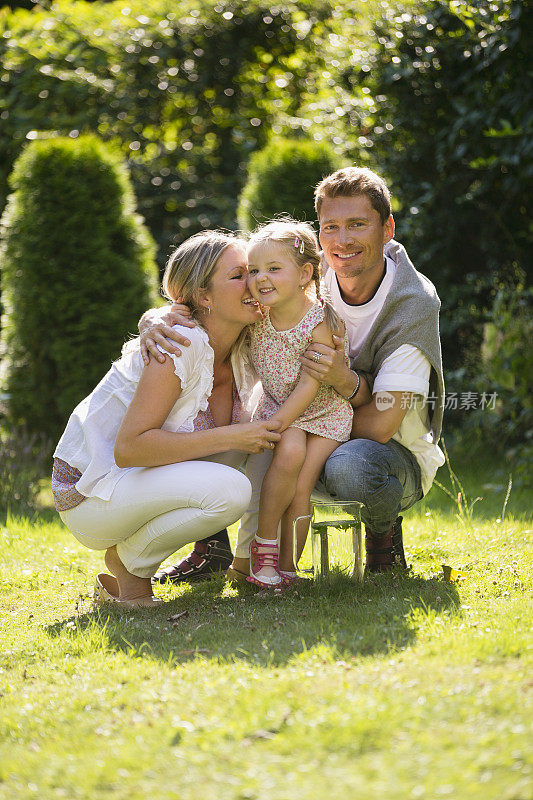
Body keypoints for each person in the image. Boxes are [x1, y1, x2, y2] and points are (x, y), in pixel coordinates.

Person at [141, 166, 445, 579]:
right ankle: (219, 547)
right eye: (331, 227)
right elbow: (218, 296)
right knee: (224, 415)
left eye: (358, 225)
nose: (343, 240)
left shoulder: (411, 305)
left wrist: (341, 384)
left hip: (388, 450)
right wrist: (158, 316)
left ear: (387, 228)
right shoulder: (301, 278)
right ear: (318, 239)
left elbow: (380, 425)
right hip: (293, 415)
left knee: (350, 466)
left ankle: (382, 529)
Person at [52, 231, 281, 607]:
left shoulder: (246, 343)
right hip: (91, 491)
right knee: (230, 489)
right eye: (239, 275)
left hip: (135, 482)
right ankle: (129, 566)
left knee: (267, 439)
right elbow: (130, 448)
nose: (255, 282)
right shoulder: (178, 343)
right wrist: (234, 436)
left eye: (255, 271)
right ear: (204, 297)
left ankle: (249, 566)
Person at [243, 220, 353, 587]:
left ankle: (288, 567)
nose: (261, 278)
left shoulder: (318, 321)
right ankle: (265, 543)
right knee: (289, 455)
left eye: (274, 269)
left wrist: (275, 425)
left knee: (303, 484)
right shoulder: (257, 316)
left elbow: (310, 384)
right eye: (254, 270)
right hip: (281, 407)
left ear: (306, 273)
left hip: (324, 412)